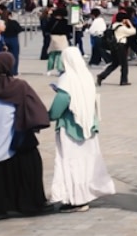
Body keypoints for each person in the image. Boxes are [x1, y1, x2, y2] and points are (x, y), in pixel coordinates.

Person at [0, 51, 52, 219]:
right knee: (29, 168)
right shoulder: (19, 86)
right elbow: (36, 109)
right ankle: (30, 204)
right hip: (16, 137)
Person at [48, 47, 116, 212]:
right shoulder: (86, 76)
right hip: (88, 126)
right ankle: (86, 193)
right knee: (86, 163)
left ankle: (76, 199)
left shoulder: (67, 79)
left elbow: (60, 104)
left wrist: (49, 115)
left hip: (71, 128)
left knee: (71, 163)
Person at [97, 13, 137, 86]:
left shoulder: (112, 25)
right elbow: (133, 31)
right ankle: (123, 80)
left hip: (113, 46)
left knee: (115, 63)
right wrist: (129, 23)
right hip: (121, 46)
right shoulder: (122, 28)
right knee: (124, 64)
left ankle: (102, 75)